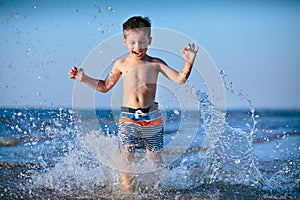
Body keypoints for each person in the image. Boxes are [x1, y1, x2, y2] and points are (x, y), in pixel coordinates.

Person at [69, 16, 198, 193]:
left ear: (150, 40)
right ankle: (127, 194)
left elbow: (180, 79)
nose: (137, 48)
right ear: (125, 42)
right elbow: (104, 86)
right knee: (126, 157)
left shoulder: (155, 64)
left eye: (142, 42)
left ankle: (156, 193)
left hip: (152, 117)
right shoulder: (121, 64)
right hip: (128, 117)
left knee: (154, 159)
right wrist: (83, 78)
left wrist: (188, 63)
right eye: (132, 43)